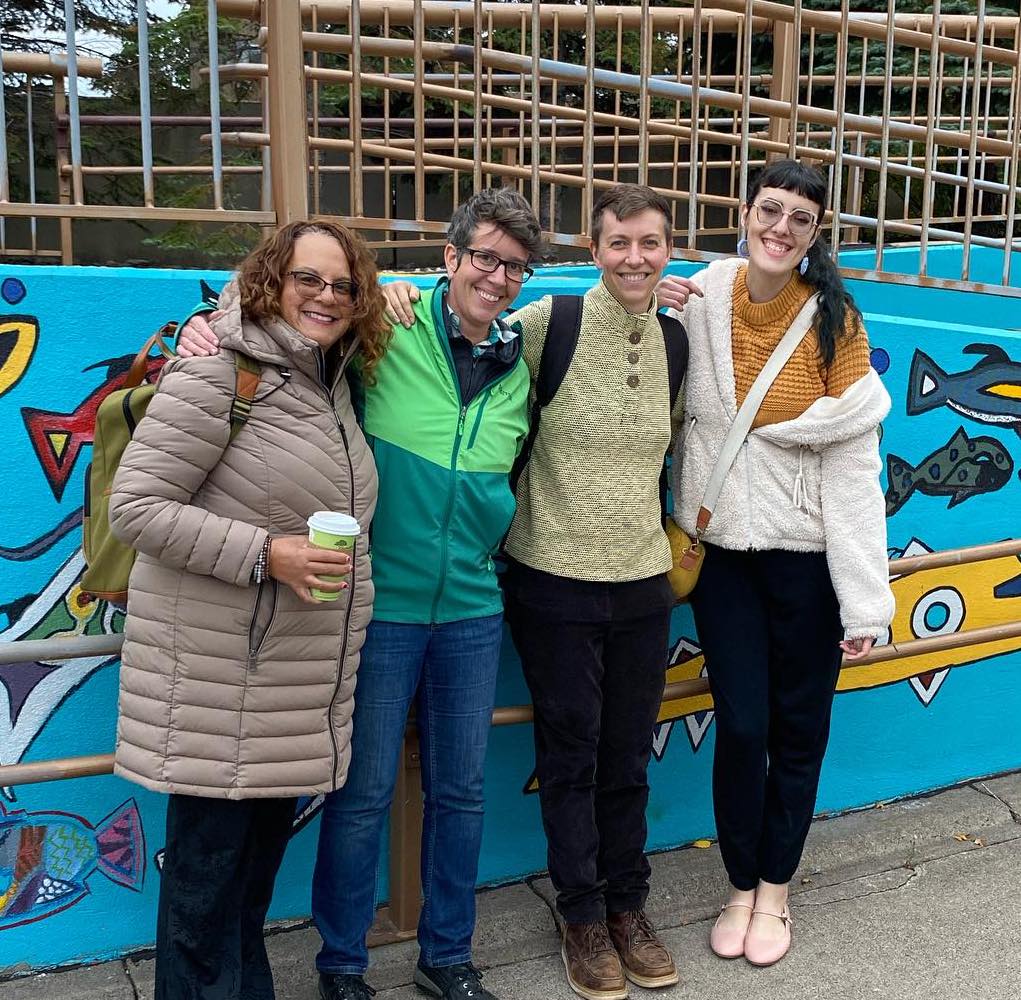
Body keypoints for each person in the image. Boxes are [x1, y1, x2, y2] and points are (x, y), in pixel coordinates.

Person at [175, 188, 544, 1000]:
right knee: (360, 792)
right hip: (379, 608)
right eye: (482, 256)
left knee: (462, 793)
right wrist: (197, 326)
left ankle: (448, 955)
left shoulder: (524, 357)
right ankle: (341, 965)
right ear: (449, 259)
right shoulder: (390, 326)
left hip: (475, 611)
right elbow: (282, 304)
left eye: (514, 265)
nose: (496, 276)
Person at [384, 183, 685, 1000]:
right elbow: (461, 335)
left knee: (628, 755)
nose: (634, 257)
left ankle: (629, 905)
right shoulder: (550, 323)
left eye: (650, 243)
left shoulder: (676, 338)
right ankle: (581, 914)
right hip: (550, 577)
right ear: (593, 250)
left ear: (668, 250)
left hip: (642, 580)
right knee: (571, 753)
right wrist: (394, 287)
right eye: (618, 243)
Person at [109, 220, 389, 1000]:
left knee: (245, 895)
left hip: (283, 694)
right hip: (218, 685)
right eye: (308, 279)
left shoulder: (328, 385)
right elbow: (136, 509)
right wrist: (271, 554)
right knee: (204, 896)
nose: (326, 296)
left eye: (343, 284)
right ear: (271, 280)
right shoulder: (218, 377)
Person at [656, 158, 894, 967]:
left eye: (799, 217)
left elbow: (854, 469)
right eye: (770, 209)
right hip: (720, 554)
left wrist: (865, 602)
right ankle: (736, 882)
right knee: (742, 726)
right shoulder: (699, 296)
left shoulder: (834, 320)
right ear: (745, 212)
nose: (780, 227)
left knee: (799, 731)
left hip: (805, 561)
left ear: (815, 233)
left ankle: (775, 893)